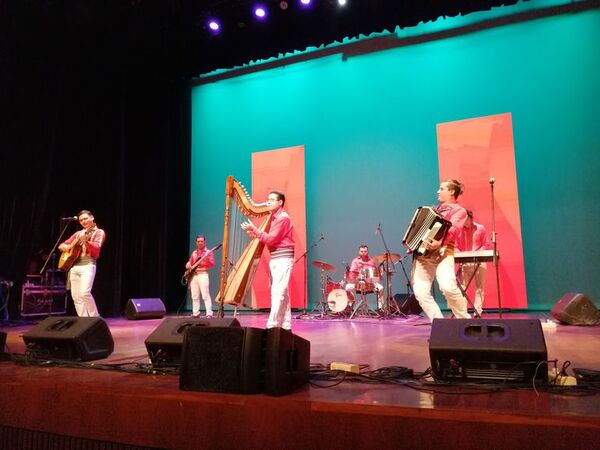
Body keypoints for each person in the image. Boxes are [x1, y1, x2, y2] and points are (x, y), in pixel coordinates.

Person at [411, 179, 470, 321]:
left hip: (444, 251)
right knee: (420, 292)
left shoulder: (459, 211)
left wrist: (440, 241)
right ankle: (439, 325)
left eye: (441, 188)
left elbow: (454, 229)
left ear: (451, 192)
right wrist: (415, 243)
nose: (438, 191)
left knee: (447, 286)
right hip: (424, 254)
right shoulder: (435, 210)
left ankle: (464, 321)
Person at [241, 190, 294, 330]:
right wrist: (254, 233)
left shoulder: (282, 217)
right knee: (283, 291)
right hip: (277, 258)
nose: (268, 202)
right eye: (268, 199)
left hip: (283, 257)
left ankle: (272, 324)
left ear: (280, 202)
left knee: (278, 291)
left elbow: (271, 240)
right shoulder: (275, 217)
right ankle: (286, 323)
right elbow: (271, 239)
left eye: (272, 199)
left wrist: (255, 229)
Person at [58, 210, 106, 317]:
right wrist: (67, 247)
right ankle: (83, 320)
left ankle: (95, 318)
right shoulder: (78, 233)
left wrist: (86, 242)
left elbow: (96, 249)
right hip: (74, 266)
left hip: (88, 265)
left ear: (92, 217)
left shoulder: (99, 232)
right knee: (76, 296)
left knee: (85, 293)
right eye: (81, 220)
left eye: (85, 219)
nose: (83, 221)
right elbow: (61, 245)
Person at [456, 210, 489, 315]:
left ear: (471, 218)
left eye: (466, 220)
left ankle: (477, 312)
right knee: (462, 287)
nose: (464, 222)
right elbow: (455, 246)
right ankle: (462, 312)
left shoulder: (480, 228)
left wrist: (479, 253)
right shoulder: (459, 230)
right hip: (465, 261)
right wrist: (460, 255)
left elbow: (486, 244)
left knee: (480, 288)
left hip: (479, 260)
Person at [344, 244, 384, 309]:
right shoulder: (355, 261)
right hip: (358, 283)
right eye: (361, 251)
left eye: (365, 251)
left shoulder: (371, 261)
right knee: (347, 287)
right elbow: (352, 273)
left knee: (381, 288)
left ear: (367, 251)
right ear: (359, 252)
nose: (363, 253)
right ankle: (351, 304)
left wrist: (380, 274)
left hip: (370, 284)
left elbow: (374, 274)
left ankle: (381, 308)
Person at [185, 234, 215, 317]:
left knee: (205, 295)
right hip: (194, 276)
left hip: (203, 275)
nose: (200, 243)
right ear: (196, 242)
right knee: (194, 295)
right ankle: (196, 313)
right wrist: (187, 265)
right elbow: (190, 263)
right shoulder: (194, 253)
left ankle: (209, 313)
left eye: (201, 241)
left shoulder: (208, 252)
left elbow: (212, 264)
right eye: (198, 241)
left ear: (204, 242)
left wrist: (206, 259)